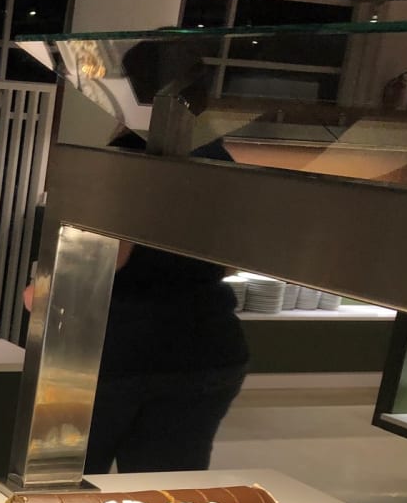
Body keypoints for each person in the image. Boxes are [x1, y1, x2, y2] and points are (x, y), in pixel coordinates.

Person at [24, 38, 247, 474]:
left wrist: (40, 293)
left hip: (119, 351)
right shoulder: (220, 158)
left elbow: (107, 260)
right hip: (208, 346)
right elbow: (229, 263)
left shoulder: (128, 157)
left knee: (65, 485)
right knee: (163, 495)